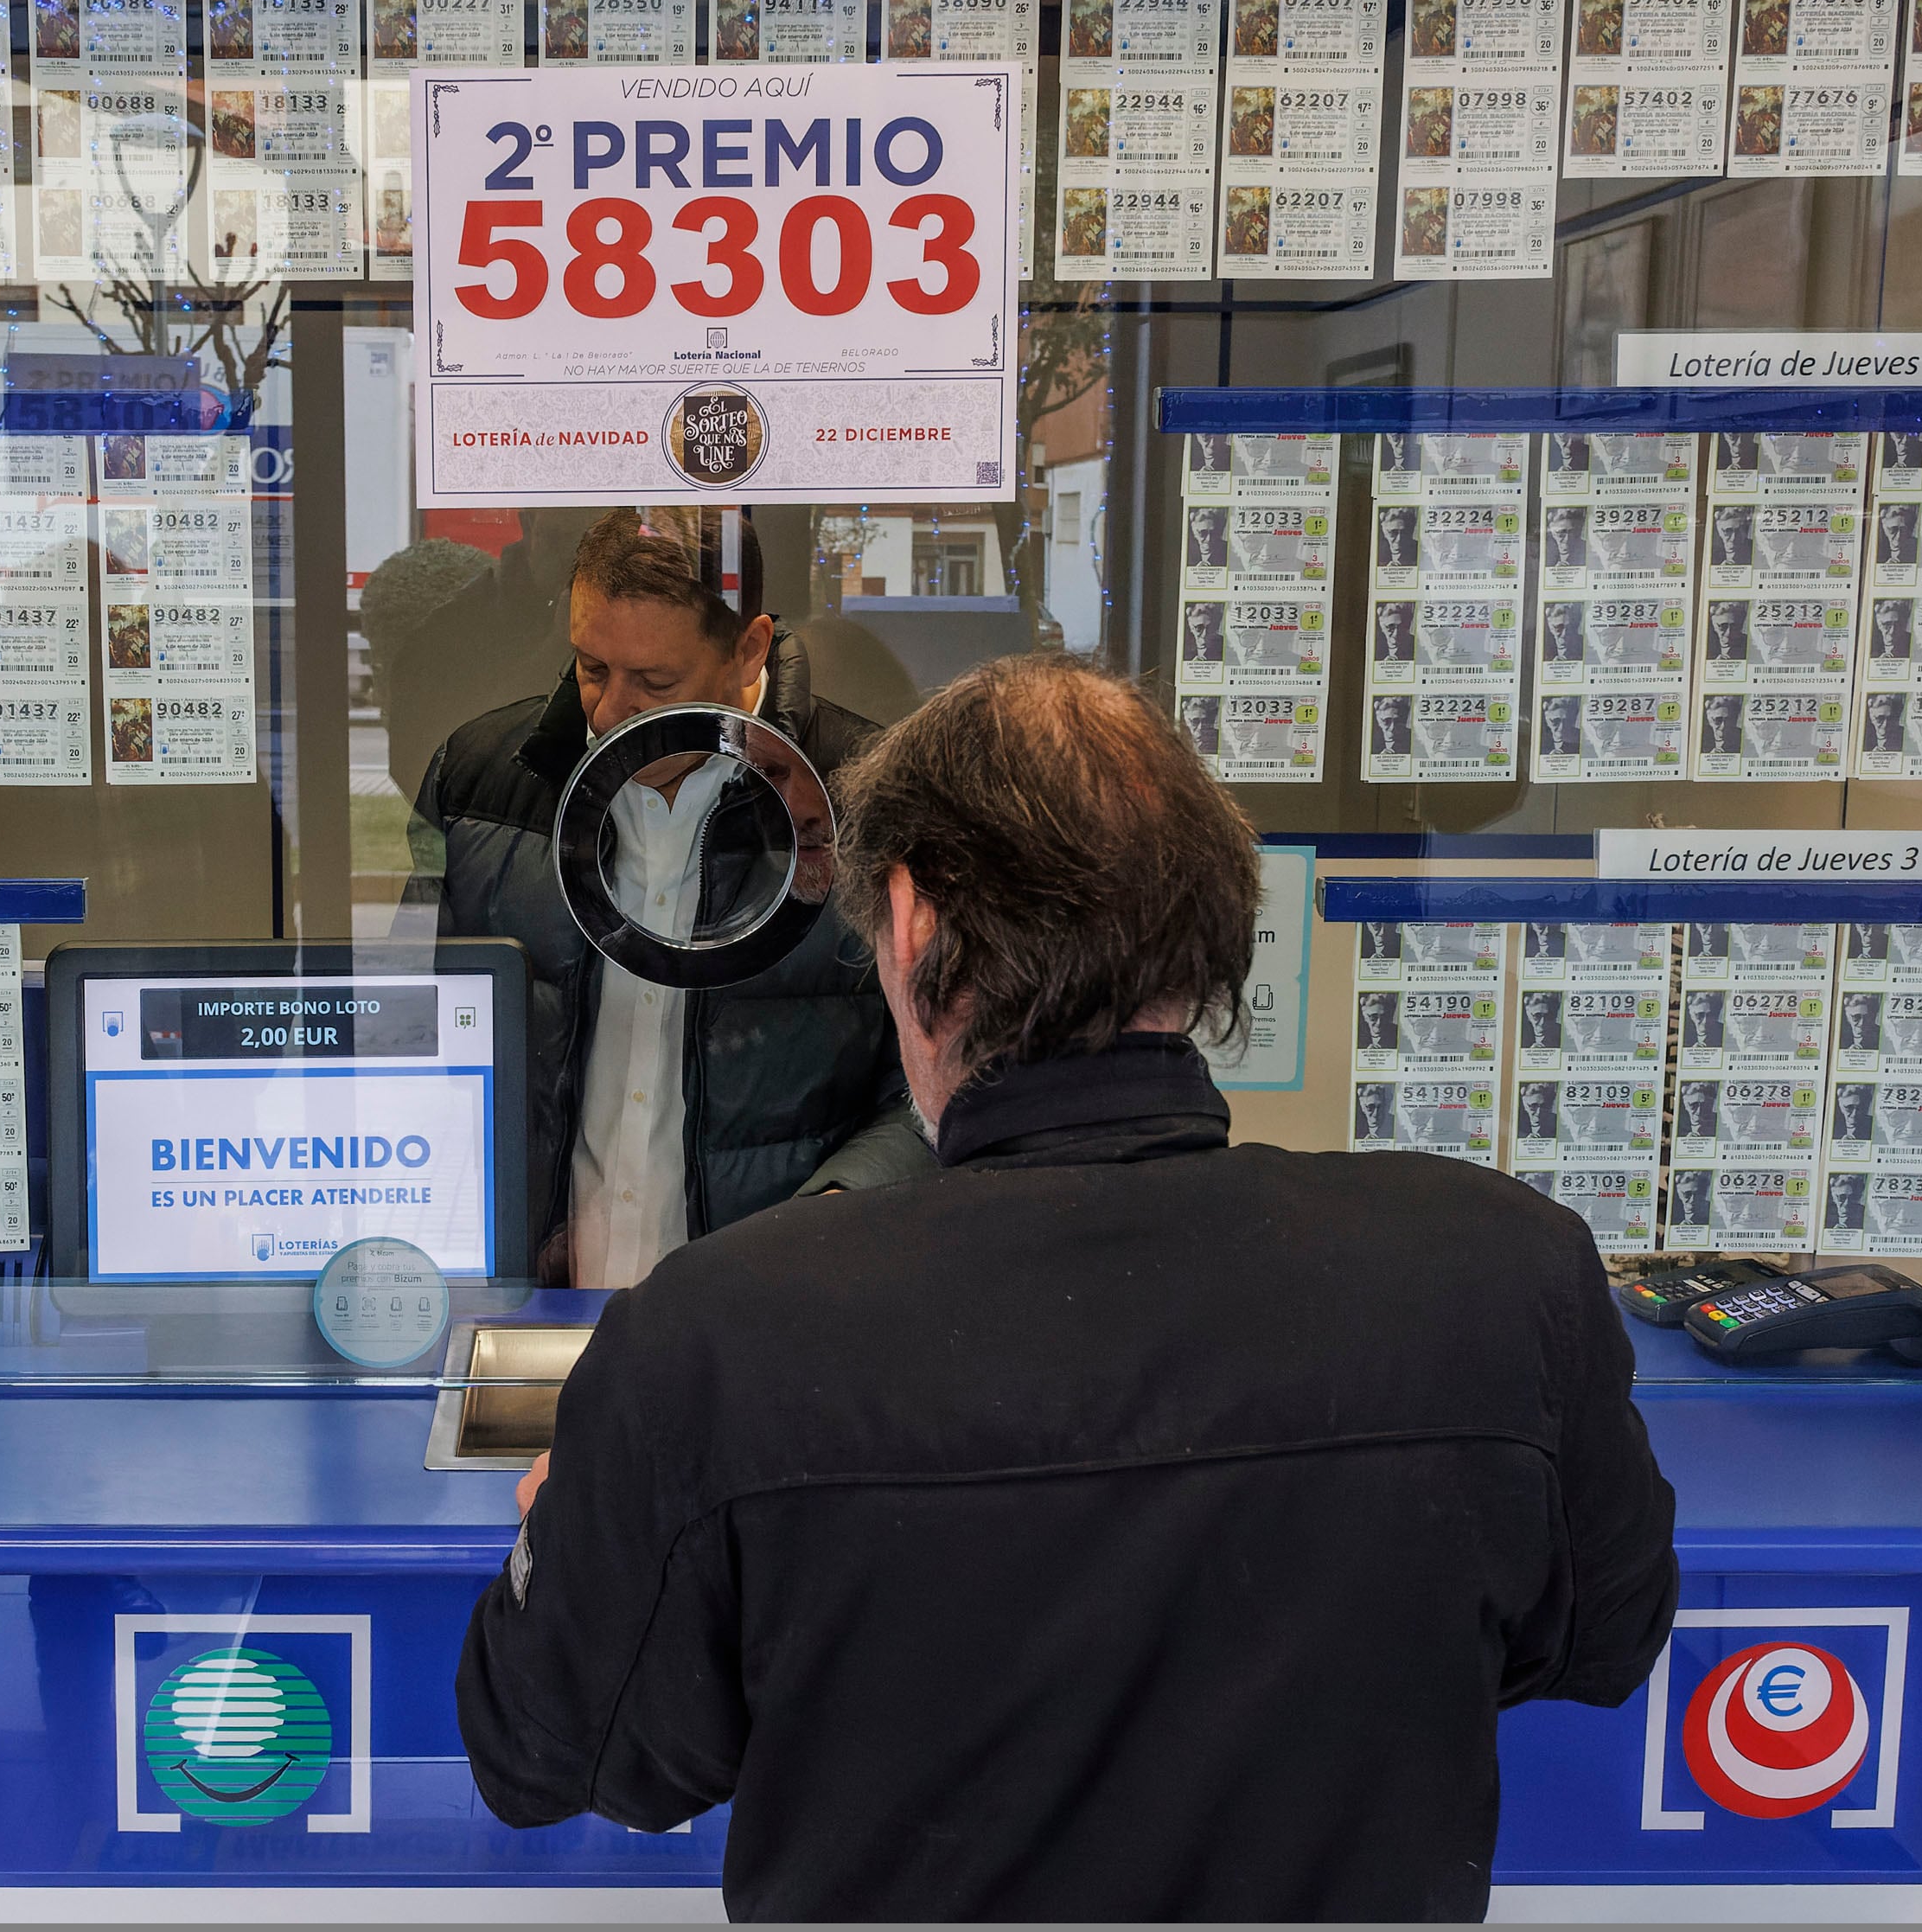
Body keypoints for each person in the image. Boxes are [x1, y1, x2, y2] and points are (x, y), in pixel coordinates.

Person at [456, 657, 1679, 1921]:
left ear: (914, 922)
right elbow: (1602, 1636)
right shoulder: (1494, 1270)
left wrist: (570, 1518)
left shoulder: (719, 1335)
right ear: (1210, 919)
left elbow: (549, 1752)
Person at [409, 509, 924, 1285]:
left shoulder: (873, 800)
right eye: (589, 668)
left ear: (748, 649)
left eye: (655, 681)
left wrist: (836, 1207)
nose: (613, 710)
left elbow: (937, 1069)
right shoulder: (478, 781)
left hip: (773, 1301)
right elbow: (410, 1036)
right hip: (533, 1303)